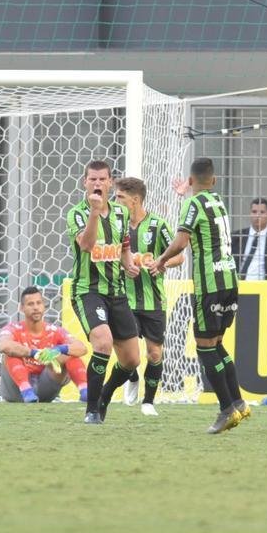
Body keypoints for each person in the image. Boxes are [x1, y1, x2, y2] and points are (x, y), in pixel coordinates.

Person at [152, 157, 248, 434]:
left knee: (205, 347)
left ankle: (226, 410)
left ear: (191, 180)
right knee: (217, 344)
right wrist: (186, 196)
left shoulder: (192, 204)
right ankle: (239, 403)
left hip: (210, 284)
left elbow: (181, 242)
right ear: (213, 180)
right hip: (229, 279)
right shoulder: (217, 201)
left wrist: (159, 261)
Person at [65, 159, 139, 424]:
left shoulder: (120, 213)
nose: (97, 184)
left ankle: (105, 396)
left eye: (102, 179)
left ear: (110, 182)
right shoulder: (76, 213)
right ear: (85, 182)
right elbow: (86, 245)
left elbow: (124, 245)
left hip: (116, 292)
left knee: (131, 361)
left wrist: (128, 264)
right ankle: (92, 411)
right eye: (92, 179)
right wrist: (94, 213)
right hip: (88, 291)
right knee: (103, 342)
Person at [114, 176, 182, 416]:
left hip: (153, 299)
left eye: (120, 197)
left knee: (154, 353)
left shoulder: (158, 225)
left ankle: (148, 402)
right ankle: (132, 375)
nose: (115, 200)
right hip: (123, 299)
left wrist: (162, 263)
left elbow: (179, 257)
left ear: (135, 200)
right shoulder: (113, 224)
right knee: (127, 352)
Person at [0, 286, 89, 403]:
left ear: (43, 306)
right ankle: (26, 390)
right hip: (15, 392)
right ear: (21, 308)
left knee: (70, 353)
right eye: (30, 304)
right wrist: (33, 353)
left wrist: (58, 349)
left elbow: (82, 348)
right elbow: (3, 345)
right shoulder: (13, 328)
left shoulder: (55, 330)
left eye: (39, 303)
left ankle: (85, 392)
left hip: (44, 388)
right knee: (10, 352)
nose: (36, 307)